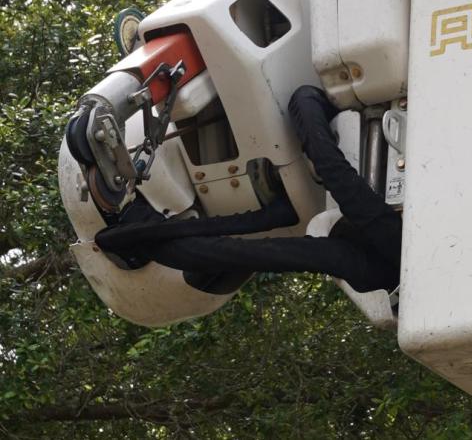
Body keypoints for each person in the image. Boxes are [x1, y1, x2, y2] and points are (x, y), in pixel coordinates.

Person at [94, 86, 402, 294]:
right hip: (395, 267)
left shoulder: (366, 258)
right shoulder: (367, 258)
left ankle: (138, 235)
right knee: (272, 250)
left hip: (394, 265)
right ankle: (138, 235)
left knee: (275, 249)